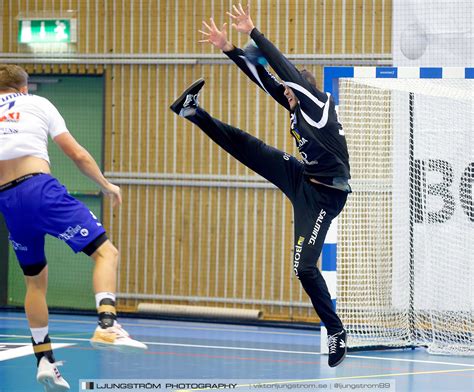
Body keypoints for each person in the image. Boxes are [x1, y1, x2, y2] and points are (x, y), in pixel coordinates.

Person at [171, 4, 351, 367]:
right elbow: (267, 79)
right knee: (249, 148)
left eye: (289, 92)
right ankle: (193, 111)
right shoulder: (296, 105)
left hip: (325, 197)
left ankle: (336, 332)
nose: (283, 96)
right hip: (303, 177)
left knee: (304, 268)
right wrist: (229, 49)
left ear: (300, 90)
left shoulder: (319, 104)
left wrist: (254, 33)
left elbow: (281, 68)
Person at [0, 64, 147, 391]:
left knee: (34, 283)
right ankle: (107, 323)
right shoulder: (37, 104)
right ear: (24, 89)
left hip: (7, 202)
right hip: (40, 189)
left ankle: (44, 361)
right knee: (106, 252)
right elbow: (77, 153)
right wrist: (106, 184)